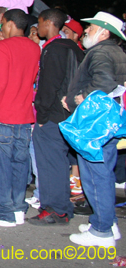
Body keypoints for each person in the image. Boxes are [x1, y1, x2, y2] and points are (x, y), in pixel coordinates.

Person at [62, 12, 126, 247]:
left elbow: (104, 82)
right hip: (107, 122)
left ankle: (101, 231)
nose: (86, 30)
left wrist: (80, 97)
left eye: (91, 27)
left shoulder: (100, 51)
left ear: (104, 31)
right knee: (104, 174)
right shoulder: (114, 51)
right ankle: (107, 223)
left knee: (94, 175)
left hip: (96, 124)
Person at [0, 9, 41, 228]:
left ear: (11, 24)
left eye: (2, 24)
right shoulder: (35, 47)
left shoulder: (3, 47)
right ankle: (17, 208)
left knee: (2, 166)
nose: (1, 28)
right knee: (20, 165)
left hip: (4, 115)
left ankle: (4, 213)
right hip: (24, 117)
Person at [27, 9, 83, 226]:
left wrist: (41, 114)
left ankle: (53, 209)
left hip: (52, 117)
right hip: (66, 114)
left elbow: (48, 86)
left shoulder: (55, 49)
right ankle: (62, 208)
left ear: (49, 23)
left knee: (49, 164)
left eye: (40, 23)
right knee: (59, 163)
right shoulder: (72, 48)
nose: (38, 28)